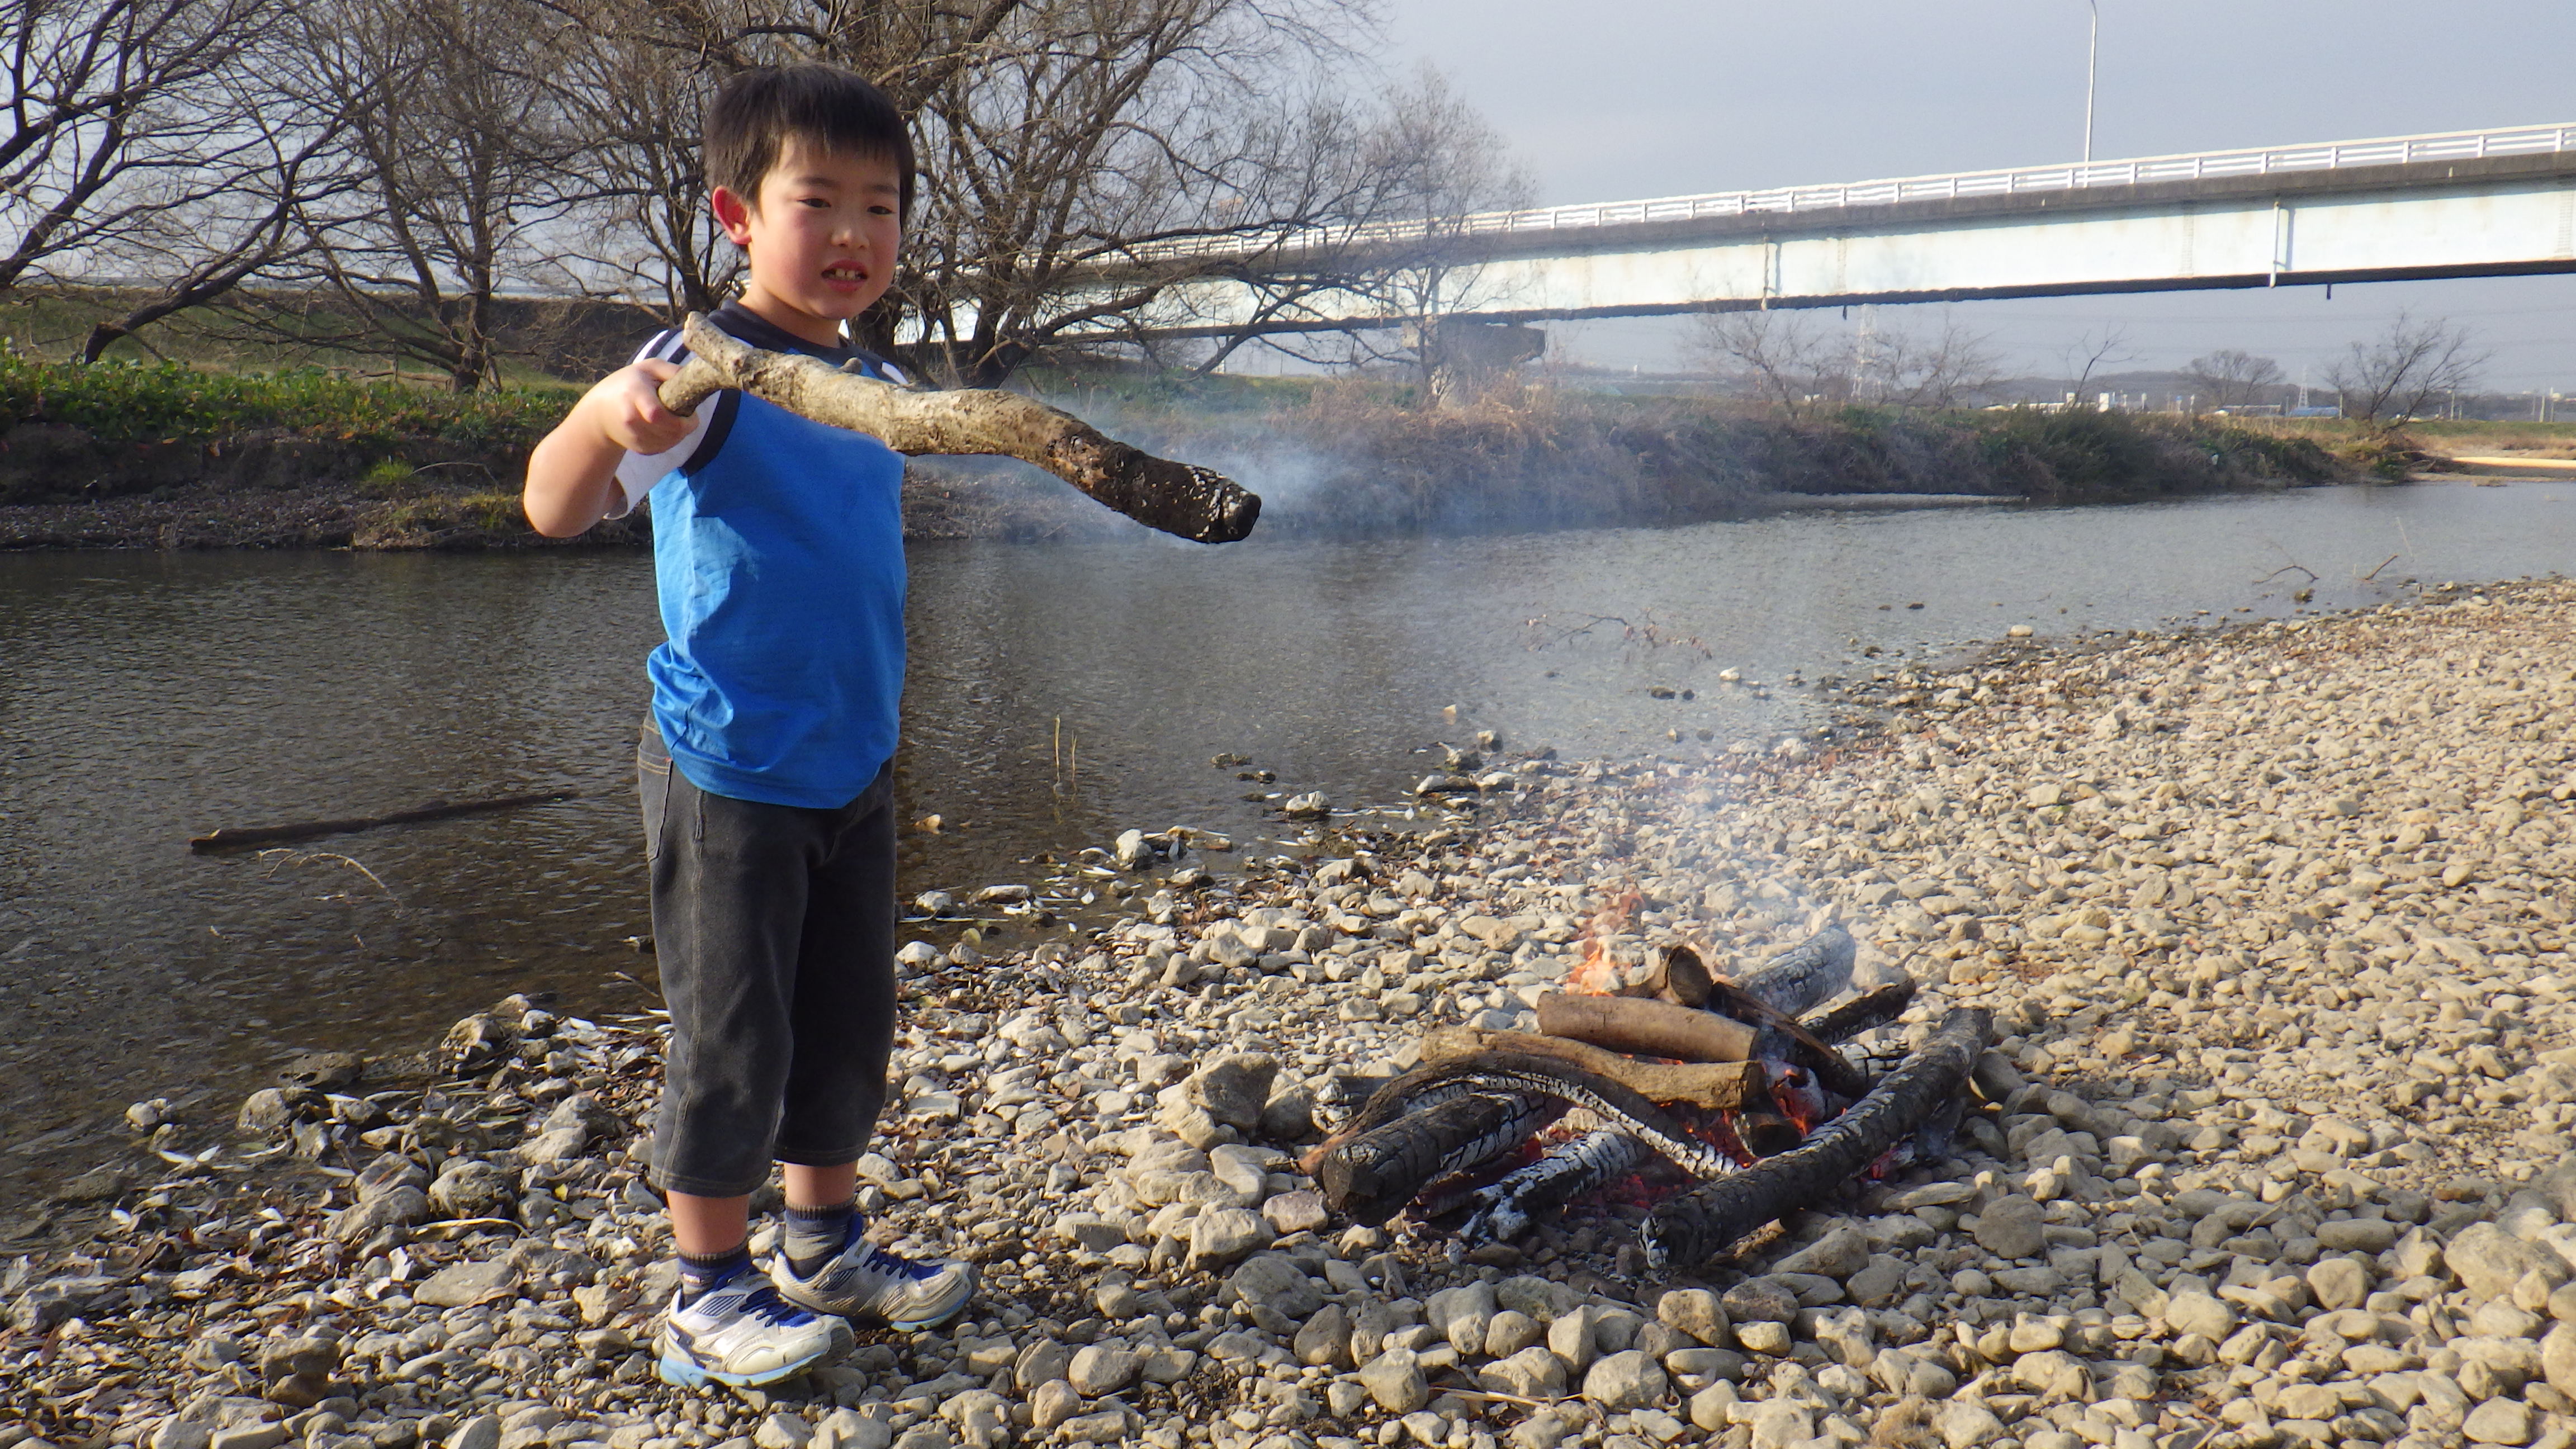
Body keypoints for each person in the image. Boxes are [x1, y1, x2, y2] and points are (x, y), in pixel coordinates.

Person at [521, 63, 973, 1390]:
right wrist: (610, 414)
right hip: (728, 765)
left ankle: (822, 1245)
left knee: (845, 1022)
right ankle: (705, 1293)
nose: (853, 235)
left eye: (881, 208)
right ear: (735, 212)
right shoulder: (702, 368)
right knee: (734, 1033)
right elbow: (552, 505)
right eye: (817, 201)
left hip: (853, 762)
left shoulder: (874, 380)